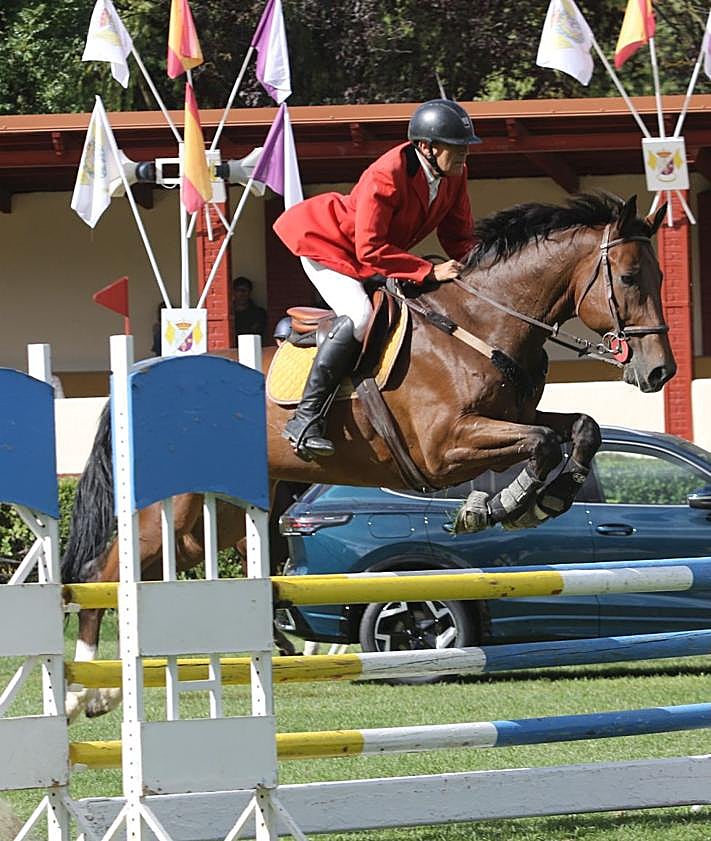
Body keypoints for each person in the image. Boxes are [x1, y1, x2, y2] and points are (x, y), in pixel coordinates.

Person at [272, 99, 479, 459]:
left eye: (464, 148)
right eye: (456, 149)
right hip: (327, 244)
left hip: (373, 255)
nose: (463, 156)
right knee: (360, 316)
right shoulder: (387, 174)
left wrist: (480, 269)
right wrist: (428, 270)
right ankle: (305, 420)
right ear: (426, 147)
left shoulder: (453, 176)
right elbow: (369, 249)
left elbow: (459, 237)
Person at [232, 275, 267, 344]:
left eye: (244, 290)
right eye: (238, 290)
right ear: (233, 292)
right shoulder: (229, 314)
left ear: (250, 292)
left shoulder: (259, 313)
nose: (241, 293)